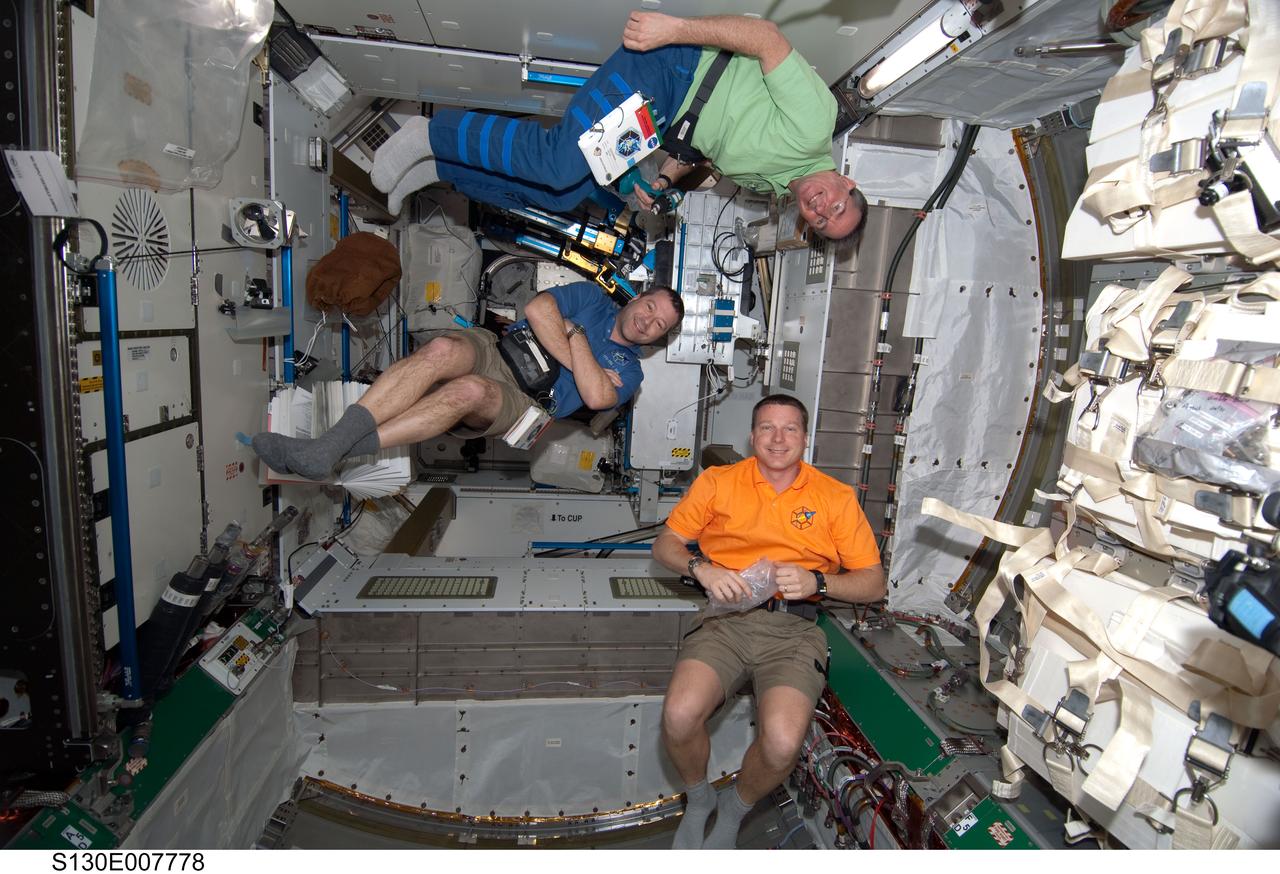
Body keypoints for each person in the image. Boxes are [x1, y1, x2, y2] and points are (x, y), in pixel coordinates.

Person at [371, 11, 867, 240]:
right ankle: (425, 133)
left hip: (669, 112)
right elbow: (764, 36)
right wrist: (676, 30)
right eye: (836, 204)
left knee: (565, 193)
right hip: (675, 67)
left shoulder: (775, 183)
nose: (821, 209)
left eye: (822, 221)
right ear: (845, 180)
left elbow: (707, 143)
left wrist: (664, 178)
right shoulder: (814, 125)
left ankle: (441, 168)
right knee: (559, 161)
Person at [651, 394, 885, 849]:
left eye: (790, 429)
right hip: (727, 620)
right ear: (752, 435)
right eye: (767, 428)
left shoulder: (835, 498)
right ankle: (699, 799)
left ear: (805, 437)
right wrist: (703, 568)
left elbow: (873, 584)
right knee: (679, 715)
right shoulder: (719, 482)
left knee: (780, 744)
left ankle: (734, 811)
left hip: (794, 632)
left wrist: (819, 580)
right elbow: (666, 544)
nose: (778, 439)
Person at [251, 283, 683, 480]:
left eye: (659, 325)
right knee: (441, 351)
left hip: (526, 402)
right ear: (639, 296)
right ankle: (325, 450)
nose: (648, 322)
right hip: (500, 349)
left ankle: (329, 449)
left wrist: (574, 333)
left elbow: (594, 395)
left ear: (660, 338)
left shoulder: (631, 371)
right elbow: (537, 310)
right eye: (650, 308)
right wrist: (578, 353)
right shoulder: (592, 296)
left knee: (469, 392)